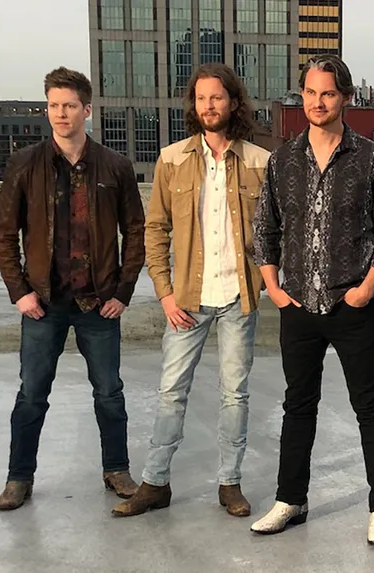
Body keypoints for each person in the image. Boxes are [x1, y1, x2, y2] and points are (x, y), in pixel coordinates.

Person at [249, 54, 374, 546]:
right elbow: (264, 230)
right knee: (298, 405)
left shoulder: (369, 158)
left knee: (370, 406)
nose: (318, 102)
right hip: (297, 306)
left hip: (351, 304)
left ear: (347, 99)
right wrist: (274, 289)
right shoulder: (282, 160)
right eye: (311, 93)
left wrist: (366, 288)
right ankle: (290, 500)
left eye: (329, 94)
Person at [110, 63, 270, 519]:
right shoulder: (172, 159)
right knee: (170, 391)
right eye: (201, 98)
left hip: (239, 297)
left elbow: (271, 232)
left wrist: (262, 283)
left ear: (233, 102)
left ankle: (230, 483)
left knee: (234, 394)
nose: (208, 106)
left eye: (217, 97)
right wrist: (164, 294)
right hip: (187, 299)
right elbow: (153, 230)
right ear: (193, 105)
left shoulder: (260, 162)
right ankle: (155, 482)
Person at [0, 67, 145, 511]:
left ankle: (116, 469)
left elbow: (136, 233)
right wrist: (19, 291)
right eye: (54, 106)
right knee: (32, 394)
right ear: (47, 109)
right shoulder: (25, 164)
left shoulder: (114, 167)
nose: (62, 114)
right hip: (43, 302)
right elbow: (3, 233)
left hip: (98, 303)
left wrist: (122, 292)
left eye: (70, 106)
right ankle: (19, 477)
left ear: (87, 110)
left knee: (110, 394)